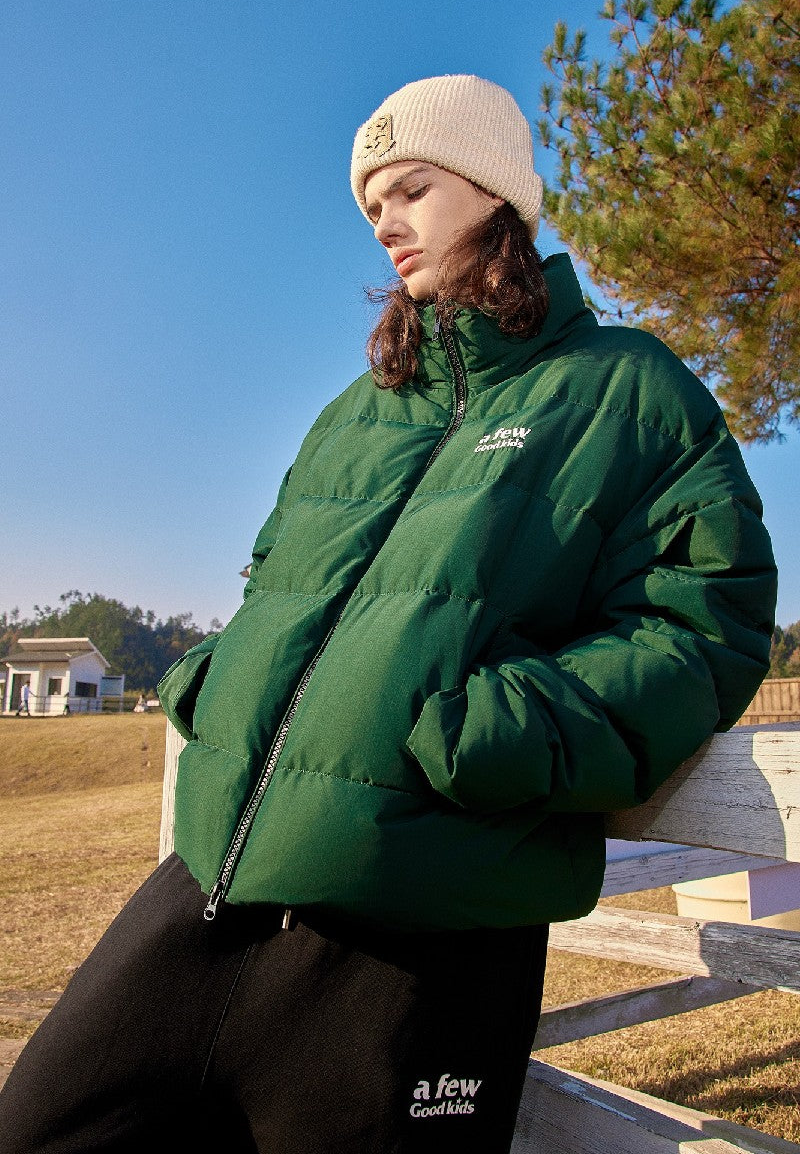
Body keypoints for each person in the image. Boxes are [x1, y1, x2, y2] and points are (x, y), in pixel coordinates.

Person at [0, 74, 776, 1154]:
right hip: (208, 893)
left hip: (423, 937)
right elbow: (272, 582)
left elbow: (703, 621)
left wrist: (482, 731)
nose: (385, 223)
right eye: (372, 205)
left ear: (496, 193)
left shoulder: (627, 388)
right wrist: (214, 683)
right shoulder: (353, 413)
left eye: (411, 189)